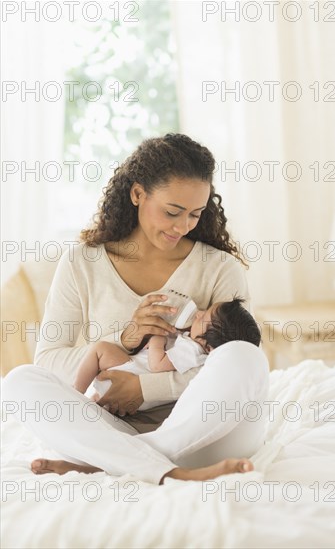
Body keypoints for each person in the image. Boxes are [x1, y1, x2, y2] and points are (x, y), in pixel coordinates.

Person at [2, 133, 269, 485]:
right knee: (20, 381)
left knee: (245, 357)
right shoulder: (83, 261)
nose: (183, 226)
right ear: (137, 193)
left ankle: (126, 461)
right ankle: (159, 467)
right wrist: (126, 338)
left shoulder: (219, 268)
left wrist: (145, 391)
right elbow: (49, 362)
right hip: (110, 429)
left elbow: (228, 371)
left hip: (203, 433)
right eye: (172, 212)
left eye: (195, 214)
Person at [74, 298, 262, 412]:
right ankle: (90, 401)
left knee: (99, 350)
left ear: (209, 346)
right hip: (135, 382)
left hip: (135, 375)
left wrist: (158, 337)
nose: (199, 314)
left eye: (204, 318)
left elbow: (157, 365)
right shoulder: (195, 346)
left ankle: (75, 392)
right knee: (97, 403)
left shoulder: (193, 351)